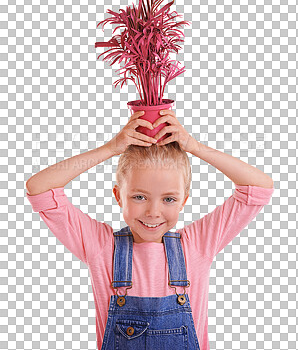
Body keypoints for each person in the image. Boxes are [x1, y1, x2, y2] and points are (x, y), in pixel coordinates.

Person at [26, 109, 274, 350]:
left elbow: (258, 187)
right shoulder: (101, 247)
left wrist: (195, 147)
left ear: (184, 200)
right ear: (118, 196)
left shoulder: (197, 244)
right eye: (139, 197)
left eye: (168, 199)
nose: (153, 212)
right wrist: (110, 148)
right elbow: (39, 187)